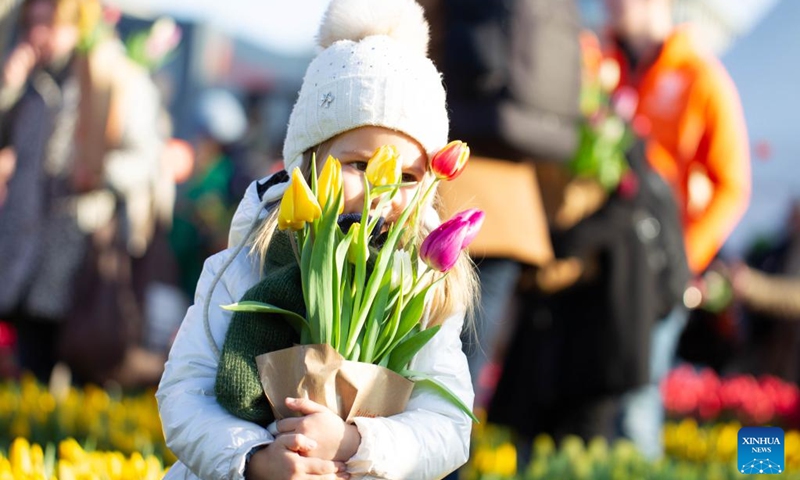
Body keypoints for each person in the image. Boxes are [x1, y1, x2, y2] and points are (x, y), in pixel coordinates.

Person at [156, 0, 479, 478]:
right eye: (359, 165)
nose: (381, 190)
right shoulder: (245, 264)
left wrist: (353, 443)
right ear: (309, 164)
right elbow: (185, 393)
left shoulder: (423, 289)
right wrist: (256, 459)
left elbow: (447, 427)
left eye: (408, 175)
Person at [602, 0, 751, 459]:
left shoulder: (700, 76)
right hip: (598, 269)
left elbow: (734, 185)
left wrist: (684, 258)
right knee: (592, 407)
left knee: (636, 406)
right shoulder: (602, 68)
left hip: (657, 274)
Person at [0, 0, 168, 386]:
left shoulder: (115, 79)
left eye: (48, 23)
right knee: (28, 373)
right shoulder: (29, 82)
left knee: (77, 379)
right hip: (23, 257)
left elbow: (147, 158)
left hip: (81, 260)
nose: (36, 34)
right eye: (31, 23)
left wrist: (98, 174)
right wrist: (7, 88)